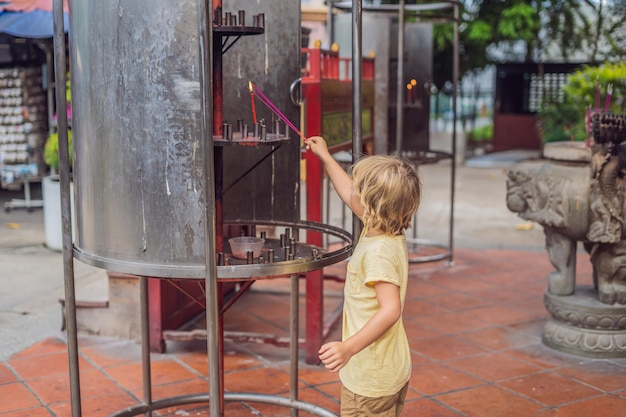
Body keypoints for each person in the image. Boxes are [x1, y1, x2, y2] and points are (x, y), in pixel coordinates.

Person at [305, 135, 422, 417]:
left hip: (370, 376)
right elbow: (348, 193)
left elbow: (390, 309)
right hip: (388, 365)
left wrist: (348, 348)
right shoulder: (386, 228)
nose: (352, 192)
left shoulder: (379, 251)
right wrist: (325, 157)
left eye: (359, 189)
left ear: (370, 205)